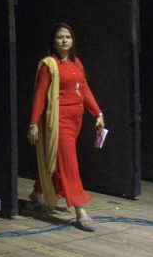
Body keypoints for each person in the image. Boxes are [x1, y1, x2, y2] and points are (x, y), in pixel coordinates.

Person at [27, 22, 105, 231]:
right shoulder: (49, 65)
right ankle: (80, 210)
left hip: (75, 121)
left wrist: (98, 113)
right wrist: (33, 124)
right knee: (69, 164)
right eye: (60, 37)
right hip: (58, 123)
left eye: (68, 37)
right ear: (53, 42)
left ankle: (38, 192)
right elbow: (40, 96)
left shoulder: (76, 63)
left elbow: (84, 90)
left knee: (57, 159)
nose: (64, 40)